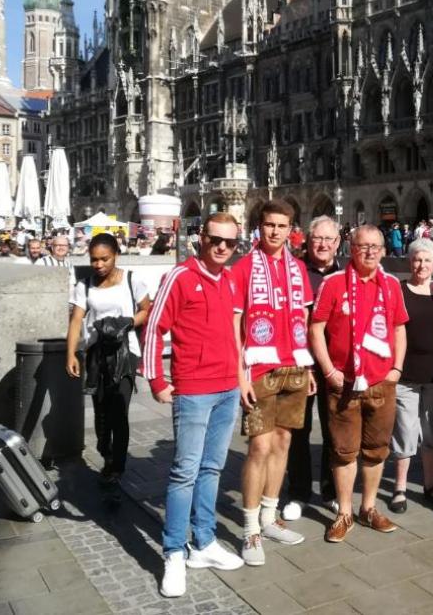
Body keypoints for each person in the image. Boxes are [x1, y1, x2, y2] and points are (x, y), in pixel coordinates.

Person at [142, 213, 246, 598]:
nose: (222, 247)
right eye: (216, 239)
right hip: (193, 390)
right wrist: (156, 379)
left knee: (212, 467)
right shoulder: (181, 276)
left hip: (226, 389)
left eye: (230, 242)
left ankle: (203, 542)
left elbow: (235, 335)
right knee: (185, 472)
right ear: (201, 238)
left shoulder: (231, 280)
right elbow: (154, 328)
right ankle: (173, 551)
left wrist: (240, 376)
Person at [310, 224, 408, 542]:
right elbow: (317, 328)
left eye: (375, 246)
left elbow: (399, 329)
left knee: (376, 450)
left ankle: (368, 508)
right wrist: (328, 371)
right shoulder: (334, 283)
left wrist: (396, 369)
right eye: (362, 246)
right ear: (351, 249)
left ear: (383, 250)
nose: (369, 251)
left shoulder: (391, 284)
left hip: (382, 382)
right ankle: (344, 512)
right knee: (343, 451)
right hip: (344, 382)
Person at [233, 200, 314, 565]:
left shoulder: (298, 268)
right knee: (259, 448)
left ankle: (269, 517)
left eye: (281, 226)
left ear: (290, 229)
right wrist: (239, 374)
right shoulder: (244, 267)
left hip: (294, 366)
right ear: (259, 227)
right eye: (269, 225)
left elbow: (305, 320)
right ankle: (250, 530)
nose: (275, 232)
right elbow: (234, 326)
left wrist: (309, 367)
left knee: (283, 443)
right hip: (260, 368)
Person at [65, 234, 151, 487]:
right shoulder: (85, 285)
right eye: (94, 260)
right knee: (101, 410)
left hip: (125, 352)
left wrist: (127, 322)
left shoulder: (132, 280)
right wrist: (71, 353)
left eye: (105, 259)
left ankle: (117, 467)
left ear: (116, 255)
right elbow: (76, 321)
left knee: (119, 411)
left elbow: (146, 310)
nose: (99, 264)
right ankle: (106, 450)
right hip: (96, 353)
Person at [282, 216, 342, 521]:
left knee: (335, 429)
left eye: (329, 240)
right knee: (299, 429)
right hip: (300, 362)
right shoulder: (293, 271)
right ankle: (298, 492)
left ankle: (331, 491)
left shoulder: (345, 274)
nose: (323, 244)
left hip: (335, 364)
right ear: (307, 239)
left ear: (338, 243)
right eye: (318, 238)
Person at [388, 238, 433, 514]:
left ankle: (429, 484)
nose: (421, 265)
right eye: (417, 259)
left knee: (432, 434)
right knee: (404, 433)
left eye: (427, 260)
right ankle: (399, 488)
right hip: (407, 376)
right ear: (409, 261)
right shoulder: (399, 290)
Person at [41, 234, 76, 305]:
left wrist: (71, 303)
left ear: (68, 248)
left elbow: (71, 287)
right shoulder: (42, 262)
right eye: (58, 245)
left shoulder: (69, 265)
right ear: (52, 247)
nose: (61, 247)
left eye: (64, 245)